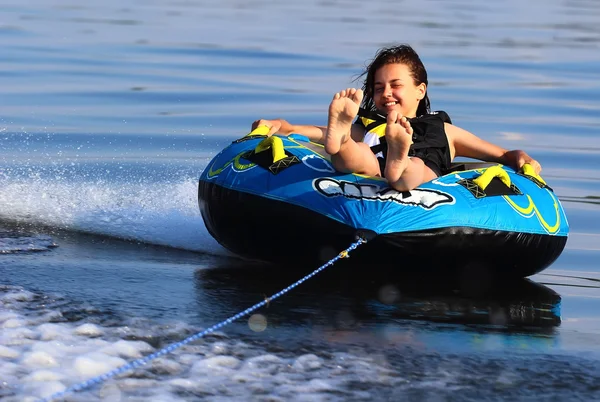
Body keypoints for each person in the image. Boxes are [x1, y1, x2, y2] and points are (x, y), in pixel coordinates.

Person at [252, 44, 541, 191]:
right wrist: (283, 127)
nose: (386, 93)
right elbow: (311, 132)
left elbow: (500, 153)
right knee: (357, 152)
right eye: (379, 88)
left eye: (395, 85)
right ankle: (341, 143)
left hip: (421, 170)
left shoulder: (443, 130)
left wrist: (520, 158)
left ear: (420, 90)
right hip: (375, 167)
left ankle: (399, 159)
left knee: (414, 167)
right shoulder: (368, 124)